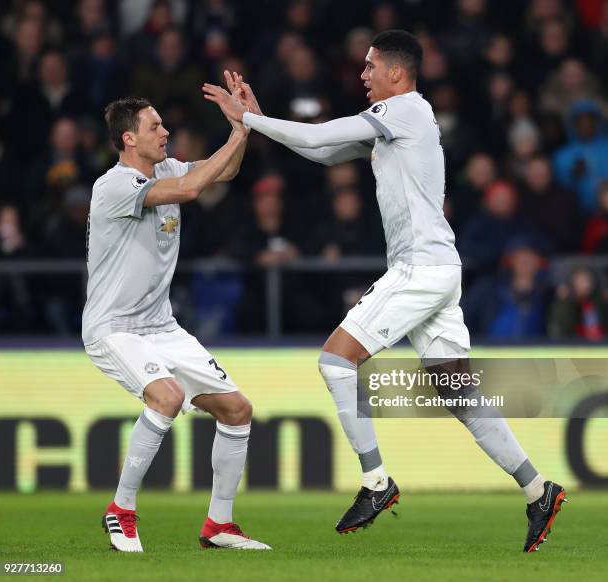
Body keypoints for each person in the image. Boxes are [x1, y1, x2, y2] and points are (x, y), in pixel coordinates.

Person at [203, 29, 567, 552]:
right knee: (457, 392)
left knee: (334, 362)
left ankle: (377, 482)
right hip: (438, 269)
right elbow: (323, 154)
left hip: (418, 268)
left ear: (397, 72)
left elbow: (319, 134)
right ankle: (538, 490)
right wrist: (259, 120)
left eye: (371, 66)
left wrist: (248, 120)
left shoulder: (407, 111)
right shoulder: (396, 124)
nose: (363, 75)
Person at [82, 88, 270, 552]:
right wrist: (239, 131)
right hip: (114, 327)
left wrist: (242, 126)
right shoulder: (115, 185)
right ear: (128, 139)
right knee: (164, 397)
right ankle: (120, 510)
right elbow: (191, 189)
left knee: (237, 409)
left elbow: (225, 170)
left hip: (161, 326)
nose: (165, 131)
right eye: (155, 127)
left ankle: (219, 525)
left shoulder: (166, 167)